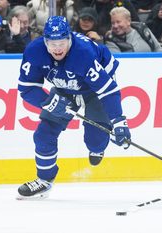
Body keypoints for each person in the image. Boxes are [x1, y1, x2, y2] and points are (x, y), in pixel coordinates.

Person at [17, 16, 131, 199]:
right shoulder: (34, 51)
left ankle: (98, 146)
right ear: (44, 41)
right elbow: (26, 88)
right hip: (64, 88)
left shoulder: (83, 53)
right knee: (43, 135)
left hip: (93, 89)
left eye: (61, 42)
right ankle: (44, 181)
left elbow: (108, 90)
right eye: (52, 43)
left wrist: (119, 121)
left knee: (95, 140)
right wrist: (49, 102)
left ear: (70, 38)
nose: (57, 48)